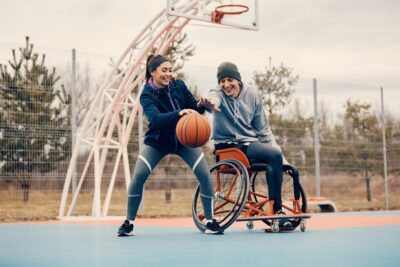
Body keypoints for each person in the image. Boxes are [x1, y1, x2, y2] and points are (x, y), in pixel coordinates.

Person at [117, 55, 223, 236]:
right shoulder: (146, 94)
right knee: (139, 176)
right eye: (164, 70)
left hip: (184, 141)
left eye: (170, 70)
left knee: (205, 175)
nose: (169, 74)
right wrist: (179, 113)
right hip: (157, 142)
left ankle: (211, 221)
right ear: (153, 72)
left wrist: (202, 105)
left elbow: (193, 108)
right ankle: (128, 222)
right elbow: (156, 119)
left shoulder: (179, 86)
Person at [198, 61, 286, 215]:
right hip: (226, 146)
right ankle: (278, 210)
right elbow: (213, 98)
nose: (226, 85)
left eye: (230, 80)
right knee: (273, 155)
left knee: (275, 157)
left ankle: (274, 206)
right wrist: (209, 103)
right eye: (222, 81)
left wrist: (280, 156)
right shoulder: (218, 93)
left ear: (238, 80)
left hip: (248, 144)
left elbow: (263, 129)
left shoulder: (252, 94)